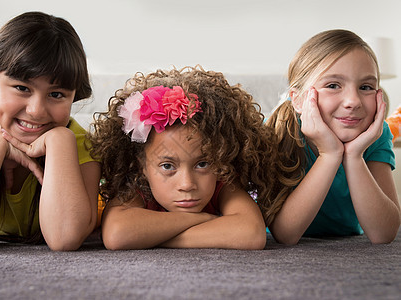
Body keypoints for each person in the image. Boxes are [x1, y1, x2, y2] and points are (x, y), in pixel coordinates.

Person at [89, 66, 288, 250]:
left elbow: (251, 233)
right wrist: (204, 219)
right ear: (142, 166)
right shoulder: (140, 187)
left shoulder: (222, 182)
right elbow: (117, 234)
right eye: (167, 166)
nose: (187, 184)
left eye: (202, 164)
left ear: (220, 158)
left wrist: (152, 237)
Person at [0, 12, 100, 250]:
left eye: (56, 94)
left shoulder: (83, 146)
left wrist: (60, 141)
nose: (36, 111)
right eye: (22, 88)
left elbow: (65, 238)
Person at [266, 29, 400, 245]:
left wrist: (354, 155)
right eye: (333, 85)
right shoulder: (278, 131)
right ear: (299, 100)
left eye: (366, 87)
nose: (353, 101)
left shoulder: (377, 134)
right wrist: (329, 155)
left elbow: (384, 234)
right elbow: (285, 234)